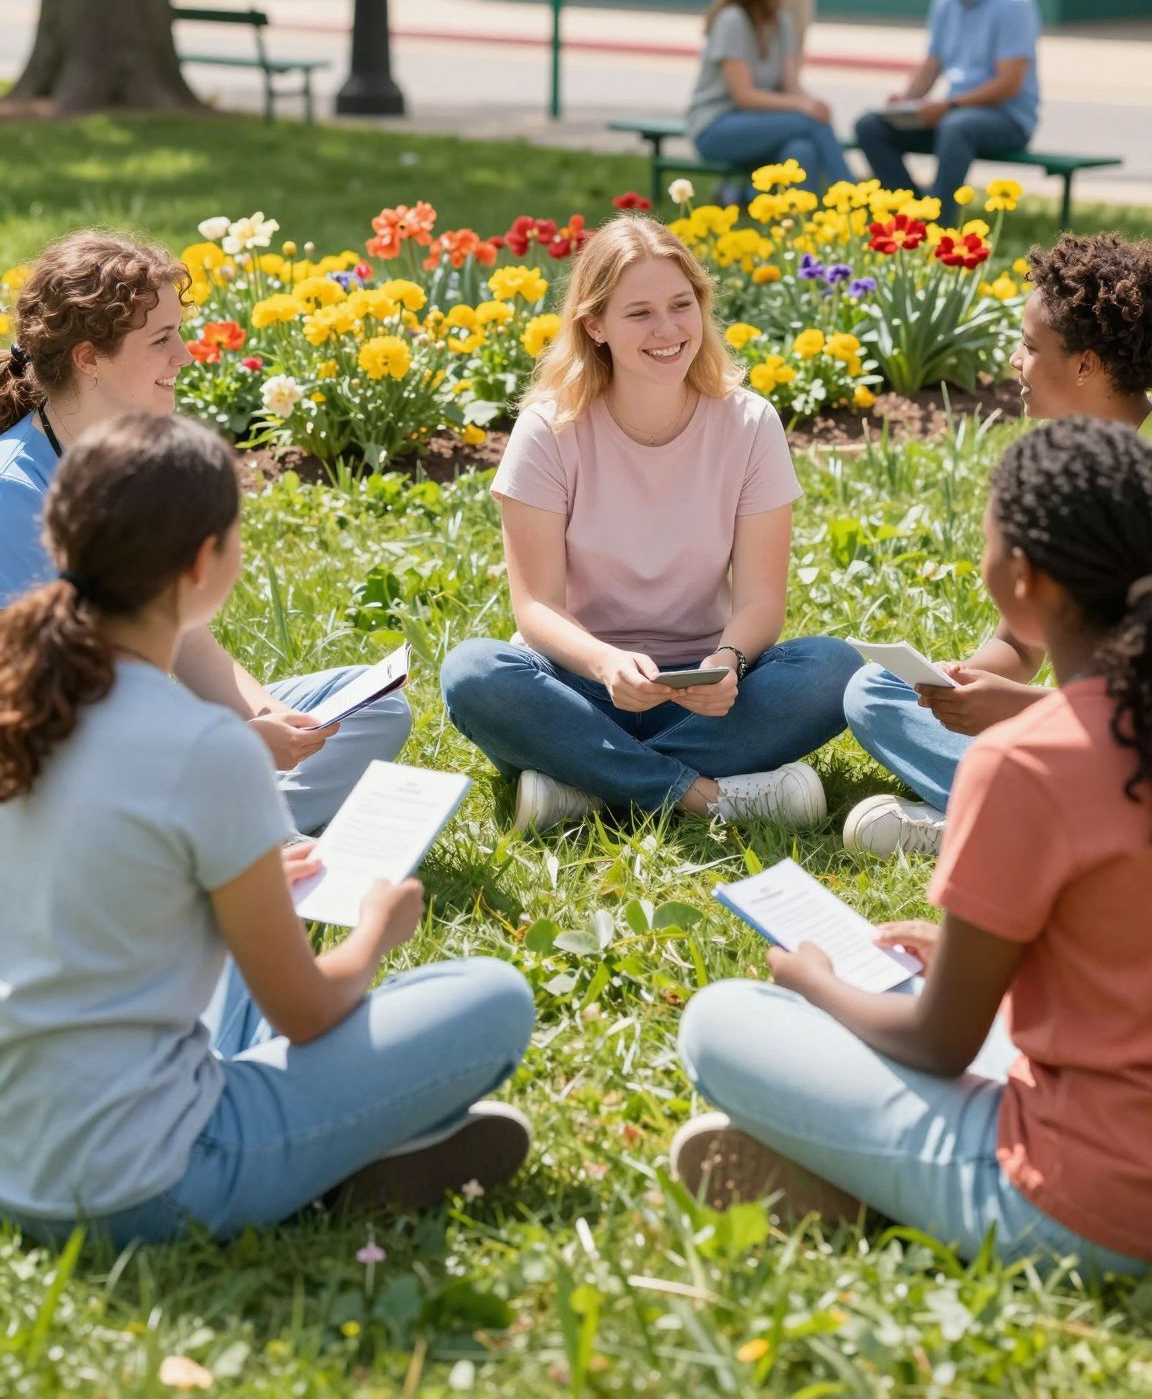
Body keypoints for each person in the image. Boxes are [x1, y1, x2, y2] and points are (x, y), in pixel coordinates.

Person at [0, 414, 535, 1248]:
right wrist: (374, 932)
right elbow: (310, 1013)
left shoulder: (26, 708)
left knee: (243, 946)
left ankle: (334, 1150)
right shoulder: (209, 747)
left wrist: (224, 892)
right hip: (151, 1182)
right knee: (496, 1000)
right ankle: (326, 1162)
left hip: (19, 1164)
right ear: (204, 562)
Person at [672, 416, 1152, 1277]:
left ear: (1021, 577)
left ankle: (865, 1192)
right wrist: (996, 964)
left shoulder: (1026, 759)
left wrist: (817, 986)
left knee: (720, 1023)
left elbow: (940, 1045)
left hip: (1088, 1204)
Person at [440, 215, 860, 835]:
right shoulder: (548, 430)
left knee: (835, 669)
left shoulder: (749, 423)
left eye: (680, 305)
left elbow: (763, 601)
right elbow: (535, 608)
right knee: (473, 674)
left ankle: (584, 783)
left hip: (706, 694)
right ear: (594, 325)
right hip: (577, 687)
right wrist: (608, 665)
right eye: (638, 314)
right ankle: (703, 796)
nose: (667, 330)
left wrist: (730, 660)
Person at [0, 232, 410, 835]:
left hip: (132, 740)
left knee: (370, 710)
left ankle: (217, 833)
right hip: (57, 761)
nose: (185, 357)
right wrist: (224, 748)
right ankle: (225, 841)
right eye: (162, 339)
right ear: (88, 357)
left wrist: (270, 718)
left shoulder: (129, 462)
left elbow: (186, 639)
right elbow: (46, 720)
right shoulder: (15, 493)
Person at [843, 230, 1152, 859]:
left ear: (1086, 365)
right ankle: (1013, 810)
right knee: (874, 691)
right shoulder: (1057, 471)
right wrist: (958, 688)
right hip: (1076, 738)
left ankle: (999, 818)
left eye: (1029, 346)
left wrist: (1019, 709)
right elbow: (1023, 639)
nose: (1015, 361)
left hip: (1129, 746)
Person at [854, 0, 1040, 216]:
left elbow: (1009, 83)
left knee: (957, 126)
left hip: (1006, 119)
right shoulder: (946, 1)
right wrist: (907, 100)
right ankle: (912, 214)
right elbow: (932, 64)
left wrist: (950, 105)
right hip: (954, 112)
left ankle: (940, 222)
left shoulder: (1013, 2)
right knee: (871, 125)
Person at [686, 0, 854, 194]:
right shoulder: (733, 20)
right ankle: (853, 198)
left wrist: (813, 103)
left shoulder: (781, 20)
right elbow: (744, 97)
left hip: (761, 123)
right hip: (716, 126)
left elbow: (790, 87)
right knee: (809, 123)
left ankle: (782, 213)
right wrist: (802, 107)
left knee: (801, 150)